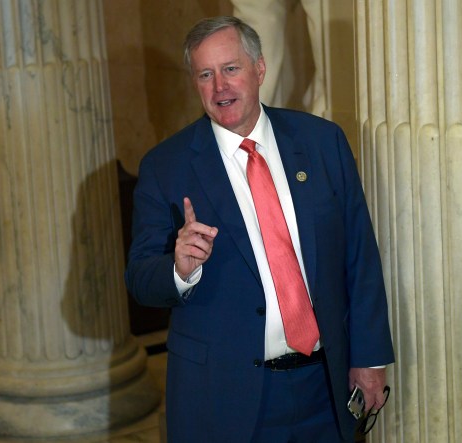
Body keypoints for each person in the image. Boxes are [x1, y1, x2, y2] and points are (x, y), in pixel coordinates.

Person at [125, 16, 394, 442]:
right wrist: (179, 269)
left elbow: (359, 256)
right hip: (224, 397)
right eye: (205, 75)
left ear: (260, 69)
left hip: (323, 385)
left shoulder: (322, 142)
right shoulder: (166, 167)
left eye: (231, 69)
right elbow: (140, 280)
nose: (220, 88)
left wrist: (370, 357)